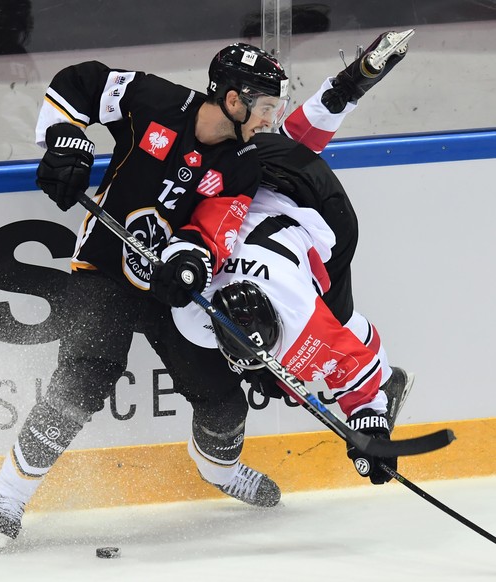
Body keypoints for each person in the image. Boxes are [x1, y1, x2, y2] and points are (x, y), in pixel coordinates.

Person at [0, 42, 290, 550]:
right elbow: (79, 82)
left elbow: (216, 227)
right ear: (233, 100)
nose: (269, 119)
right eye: (264, 108)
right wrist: (65, 140)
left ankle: (218, 469)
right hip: (102, 268)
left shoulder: (241, 164)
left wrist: (191, 261)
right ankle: (7, 495)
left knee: (222, 397)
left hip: (171, 289)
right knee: (86, 373)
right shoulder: (155, 101)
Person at [161, 29, 415, 501]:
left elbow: (350, 359)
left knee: (340, 330)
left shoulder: (293, 313)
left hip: (319, 215)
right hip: (254, 216)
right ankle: (345, 88)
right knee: (299, 367)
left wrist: (371, 424)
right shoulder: (197, 318)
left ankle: (346, 88)